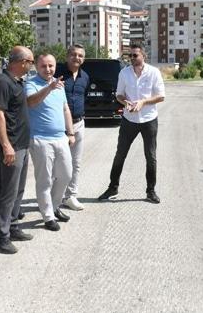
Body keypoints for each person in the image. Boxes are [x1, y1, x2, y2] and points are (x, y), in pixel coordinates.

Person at [97, 42, 165, 204]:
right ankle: (113, 188)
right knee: (120, 154)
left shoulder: (154, 72)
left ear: (143, 56)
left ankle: (151, 191)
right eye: (130, 55)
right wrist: (125, 102)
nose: (132, 58)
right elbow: (119, 95)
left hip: (149, 120)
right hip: (129, 120)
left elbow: (161, 96)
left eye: (135, 55)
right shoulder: (124, 73)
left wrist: (143, 102)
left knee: (151, 156)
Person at [0, 46, 35, 254]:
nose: (31, 66)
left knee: (18, 190)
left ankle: (13, 225)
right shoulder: (2, 82)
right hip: (12, 147)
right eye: (31, 62)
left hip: (22, 145)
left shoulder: (17, 82)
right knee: (8, 193)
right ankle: (1, 237)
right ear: (21, 62)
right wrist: (6, 145)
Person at [26, 53, 76, 231]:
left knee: (65, 175)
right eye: (43, 66)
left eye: (51, 66)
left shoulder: (59, 84)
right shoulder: (31, 83)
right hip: (40, 139)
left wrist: (70, 132)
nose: (48, 69)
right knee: (45, 179)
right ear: (37, 67)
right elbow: (31, 102)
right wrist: (49, 88)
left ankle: (54, 208)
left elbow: (65, 109)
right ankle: (48, 216)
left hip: (60, 137)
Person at [55, 44, 89, 211]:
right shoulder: (57, 74)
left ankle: (71, 196)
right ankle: (55, 198)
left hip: (79, 123)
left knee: (76, 163)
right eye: (74, 55)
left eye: (80, 55)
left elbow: (85, 97)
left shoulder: (85, 77)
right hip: (58, 126)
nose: (77, 58)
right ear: (67, 56)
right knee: (58, 163)